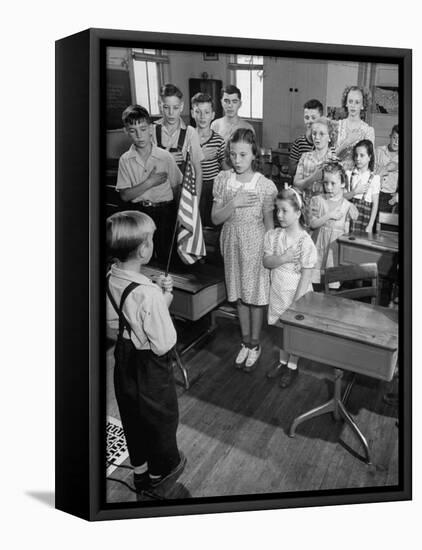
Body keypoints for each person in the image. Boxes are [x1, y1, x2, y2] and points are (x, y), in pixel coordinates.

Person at [106, 211, 186, 493]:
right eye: (151, 239)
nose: (153, 243)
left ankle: (140, 470)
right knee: (160, 418)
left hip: (123, 361)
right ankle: (161, 472)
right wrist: (165, 298)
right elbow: (163, 342)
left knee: (132, 415)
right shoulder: (148, 293)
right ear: (143, 249)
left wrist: (158, 297)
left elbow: (118, 321)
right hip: (150, 367)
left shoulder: (110, 277)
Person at [211, 128, 277, 372]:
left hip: (255, 243)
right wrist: (234, 202)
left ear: (253, 155)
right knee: (238, 293)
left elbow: (269, 224)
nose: (237, 160)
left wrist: (270, 252)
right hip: (231, 241)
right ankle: (245, 341)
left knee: (255, 296)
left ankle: (255, 344)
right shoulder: (222, 180)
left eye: (243, 155)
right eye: (233, 155)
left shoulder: (265, 185)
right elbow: (216, 218)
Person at [116, 105, 183, 266]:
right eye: (133, 130)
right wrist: (150, 182)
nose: (139, 135)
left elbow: (176, 187)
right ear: (126, 131)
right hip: (140, 213)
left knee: (168, 257)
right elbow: (125, 195)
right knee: (143, 257)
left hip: (165, 212)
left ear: (151, 129)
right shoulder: (125, 159)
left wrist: (178, 214)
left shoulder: (165, 157)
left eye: (143, 129)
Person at [263, 188, 317, 388]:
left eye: (284, 211)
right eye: (277, 210)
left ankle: (292, 367)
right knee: (281, 331)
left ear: (297, 212)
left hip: (296, 294)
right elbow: (267, 261)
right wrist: (283, 258)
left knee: (294, 332)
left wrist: (296, 303)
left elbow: (306, 275)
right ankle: (282, 361)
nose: (279, 215)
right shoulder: (274, 235)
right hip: (278, 291)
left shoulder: (305, 242)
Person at [309, 162, 359, 285]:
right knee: (316, 286)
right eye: (326, 183)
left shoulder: (347, 206)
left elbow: (348, 232)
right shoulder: (318, 201)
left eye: (333, 183)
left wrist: (353, 212)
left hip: (335, 253)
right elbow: (313, 224)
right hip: (319, 250)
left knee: (333, 286)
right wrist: (329, 215)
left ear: (342, 183)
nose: (329, 187)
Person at [153, 83, 204, 198]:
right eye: (166, 107)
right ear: (160, 105)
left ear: (181, 107)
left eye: (175, 108)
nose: (171, 113)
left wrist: (196, 204)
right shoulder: (152, 130)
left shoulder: (190, 133)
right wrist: (167, 158)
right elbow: (145, 168)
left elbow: (199, 172)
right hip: (157, 195)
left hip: (182, 197)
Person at [191, 92, 226, 227]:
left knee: (211, 223)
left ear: (212, 115)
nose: (202, 116)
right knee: (194, 223)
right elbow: (183, 166)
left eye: (206, 112)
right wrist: (200, 155)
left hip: (213, 187)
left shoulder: (218, 140)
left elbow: (224, 168)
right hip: (193, 186)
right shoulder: (187, 138)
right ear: (192, 113)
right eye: (198, 112)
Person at [293, 116, 337, 221]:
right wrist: (313, 177)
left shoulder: (335, 161)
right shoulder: (304, 157)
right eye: (314, 133)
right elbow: (296, 184)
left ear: (330, 136)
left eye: (322, 134)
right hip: (305, 209)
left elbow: (337, 192)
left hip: (326, 211)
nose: (317, 137)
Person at [335, 86, 375, 171]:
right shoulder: (336, 126)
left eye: (357, 102)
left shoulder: (368, 131)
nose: (353, 105)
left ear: (362, 105)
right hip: (336, 175)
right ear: (346, 103)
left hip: (357, 176)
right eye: (350, 101)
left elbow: (369, 160)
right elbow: (329, 157)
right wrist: (347, 142)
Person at [347, 139, 380, 233]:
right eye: (356, 155)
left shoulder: (374, 178)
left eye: (362, 155)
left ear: (369, 157)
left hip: (364, 218)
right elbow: (343, 197)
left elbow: (375, 205)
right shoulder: (349, 174)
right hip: (348, 216)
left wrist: (370, 225)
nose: (358, 158)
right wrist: (354, 192)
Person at [288, 99, 324, 177]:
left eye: (313, 118)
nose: (310, 121)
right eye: (307, 117)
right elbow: (291, 170)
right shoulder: (298, 143)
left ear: (321, 119)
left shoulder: (328, 142)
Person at [375, 124, 399, 212]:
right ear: (390, 137)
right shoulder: (378, 150)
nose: (396, 142)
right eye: (394, 138)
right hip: (375, 190)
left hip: (389, 195)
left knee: (384, 221)